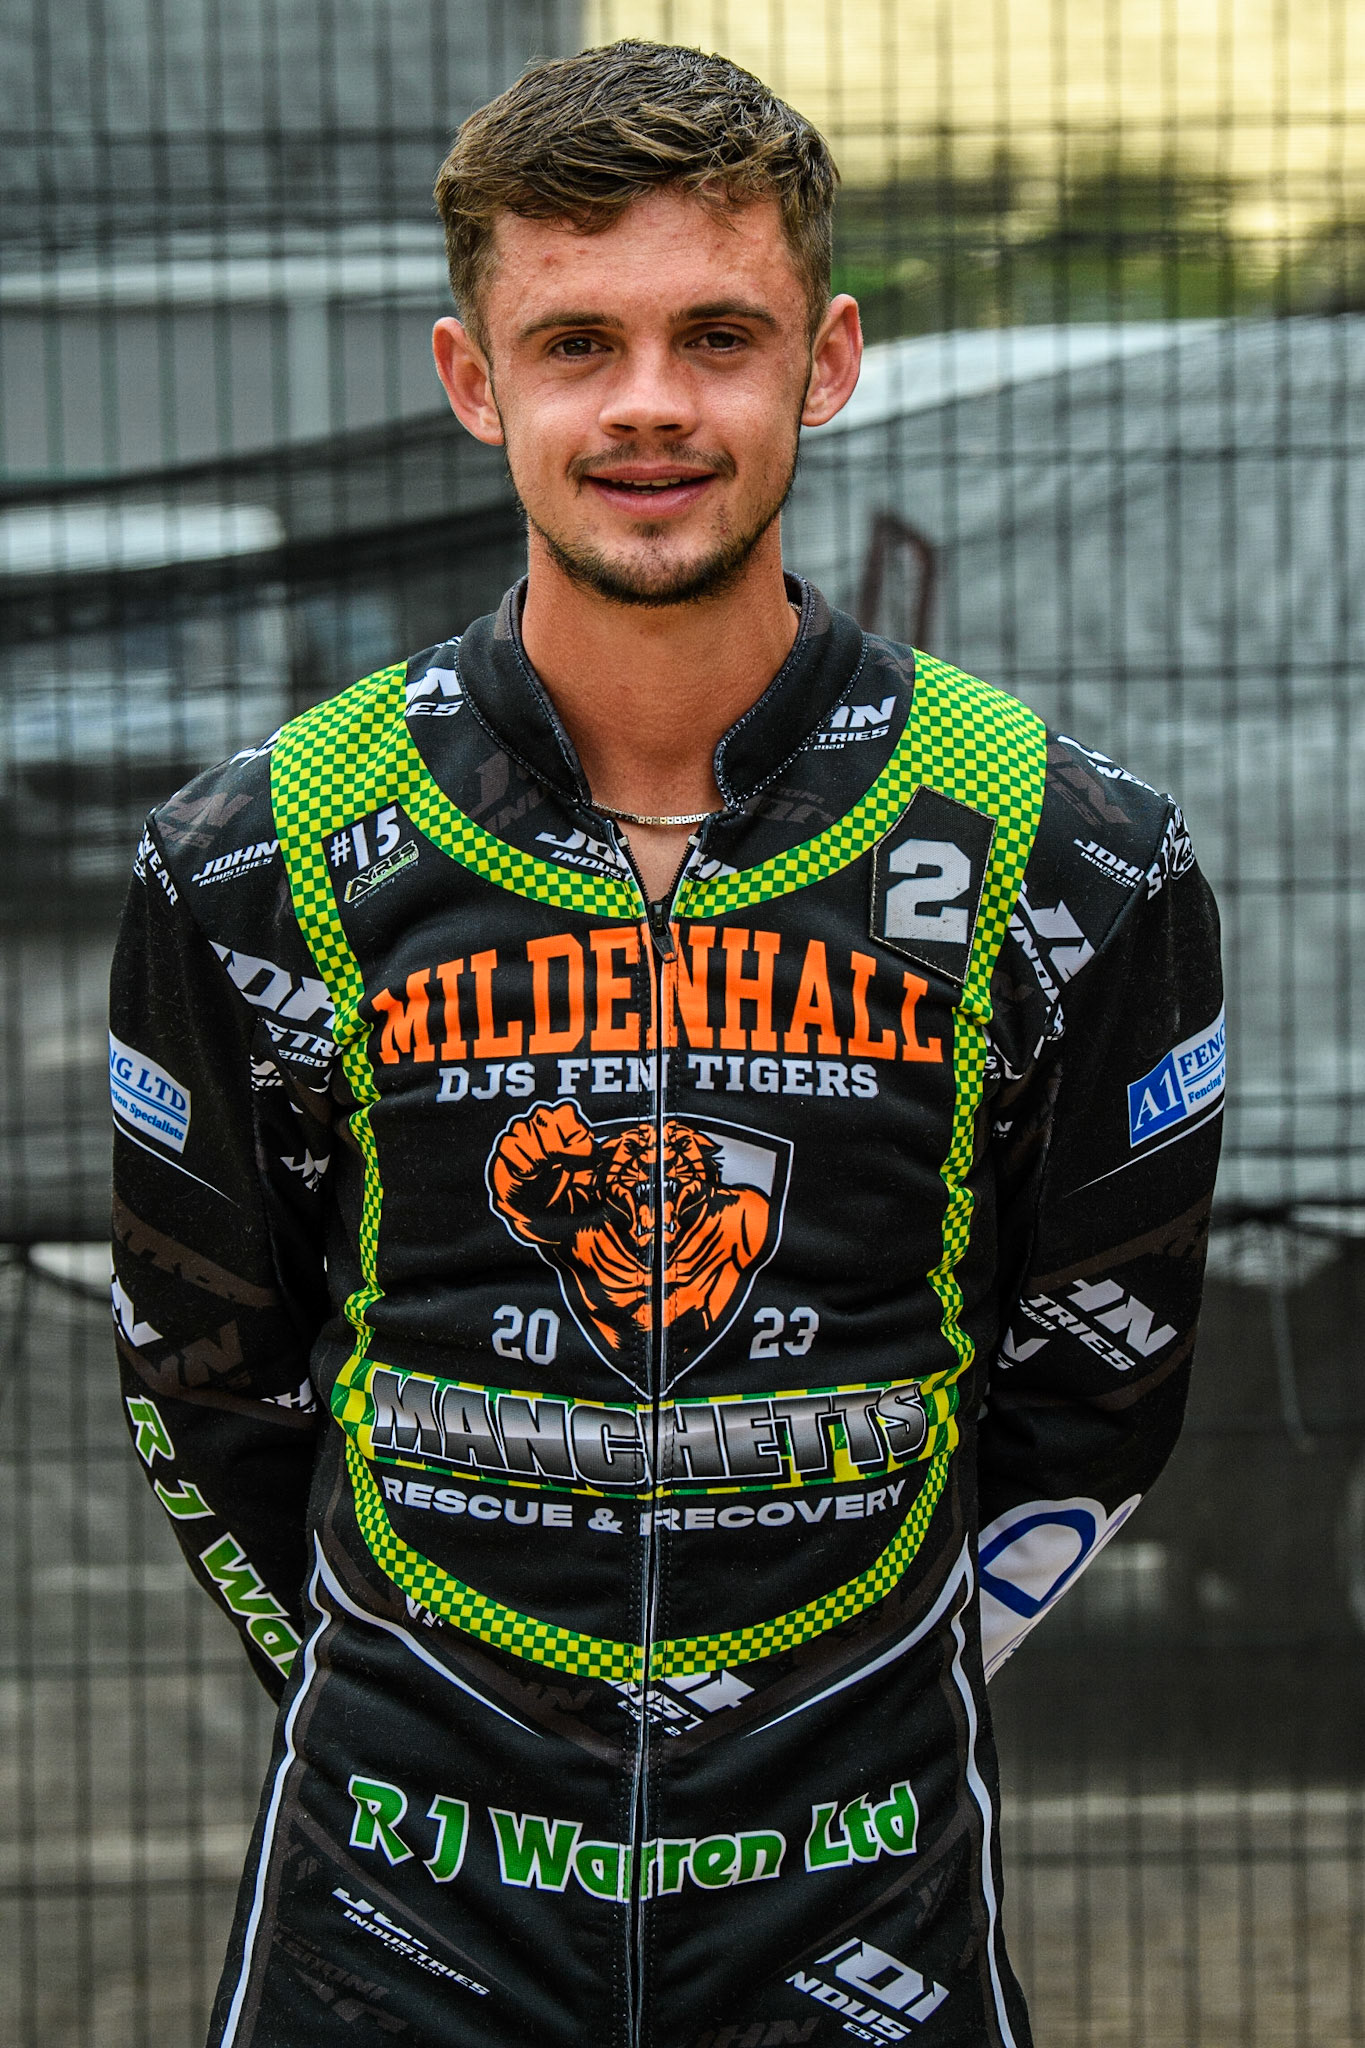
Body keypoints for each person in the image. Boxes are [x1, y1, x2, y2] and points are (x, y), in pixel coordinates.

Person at [109, 39, 1224, 2048]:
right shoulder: (250, 857)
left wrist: (848, 1699)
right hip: (397, 1898)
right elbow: (207, 1384)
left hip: (855, 1898)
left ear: (825, 360)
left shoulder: (1070, 853)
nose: (647, 404)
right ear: (474, 380)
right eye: (576, 343)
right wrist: (414, 1695)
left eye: (716, 335)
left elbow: (1096, 1389)